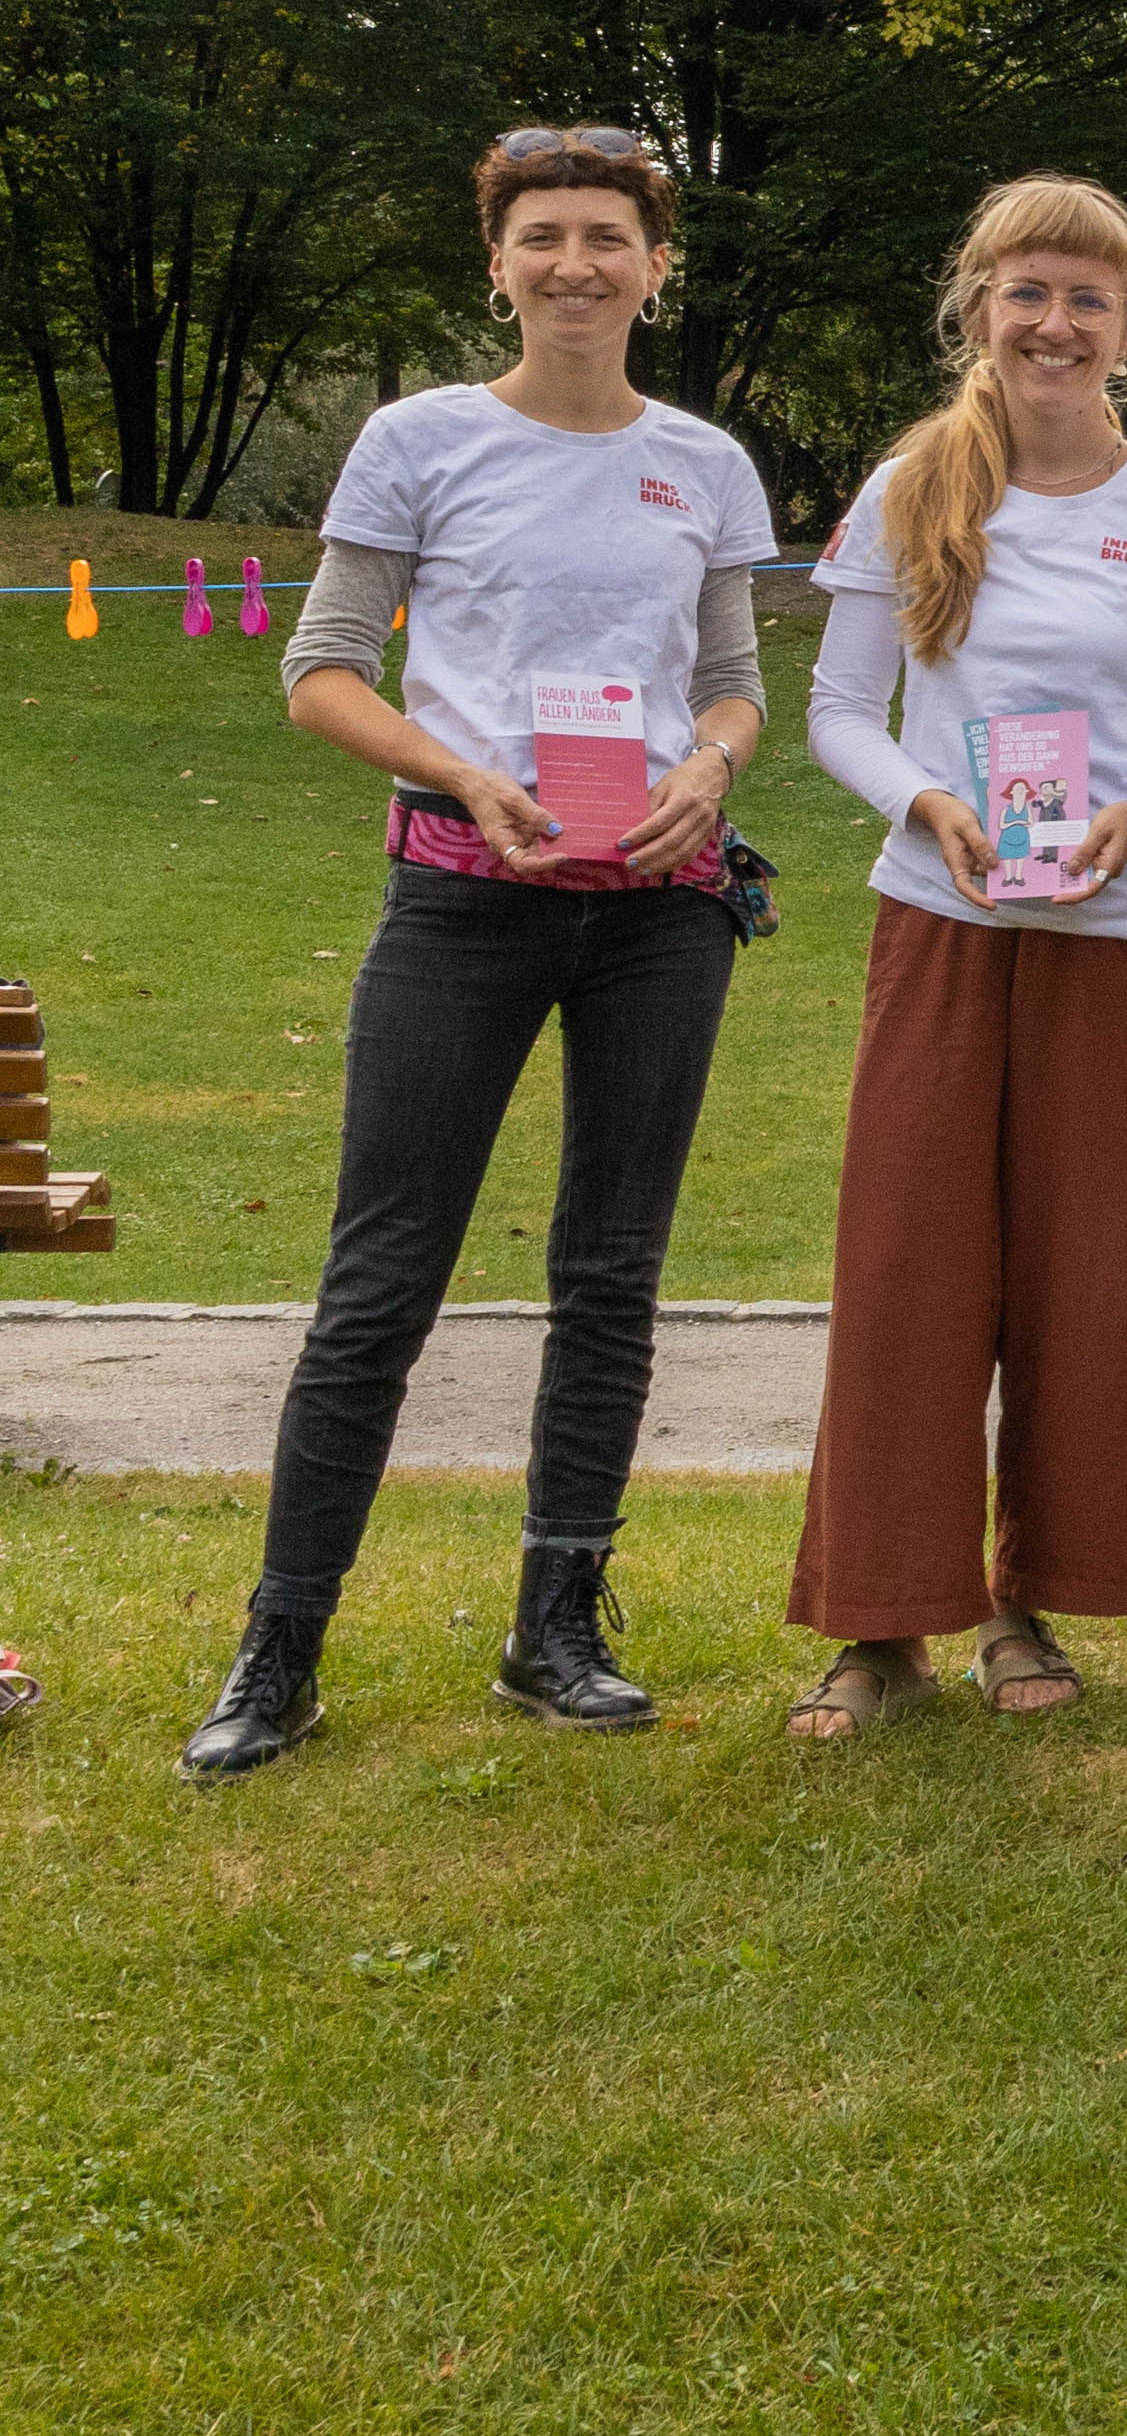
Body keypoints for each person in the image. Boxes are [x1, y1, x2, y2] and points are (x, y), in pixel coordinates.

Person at [186, 128, 777, 1782]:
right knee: (380, 1285)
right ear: (498, 263)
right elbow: (319, 672)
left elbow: (731, 677)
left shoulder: (705, 465)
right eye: (545, 237)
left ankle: (559, 1625)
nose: (577, 262)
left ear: (658, 266)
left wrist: (710, 767)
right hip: (460, 898)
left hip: (661, 911)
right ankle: (280, 1648)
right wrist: (455, 767)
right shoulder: (419, 440)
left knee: (611, 1274)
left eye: (609, 236)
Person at [781, 178, 1127, 1738]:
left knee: (1092, 1282)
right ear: (978, 302)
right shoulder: (914, 481)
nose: (1056, 324)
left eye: (1089, 299)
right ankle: (878, 1622)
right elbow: (840, 711)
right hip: (943, 920)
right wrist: (927, 803)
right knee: (909, 1269)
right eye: (1028, 291)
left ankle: (1023, 1599)